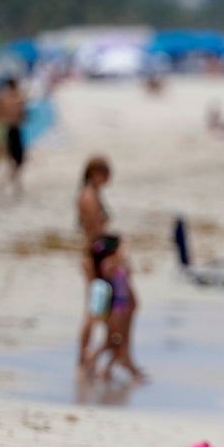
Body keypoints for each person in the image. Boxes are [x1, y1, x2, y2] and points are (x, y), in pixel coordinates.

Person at [75, 156, 114, 373]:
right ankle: (83, 358)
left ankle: (86, 357)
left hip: (94, 255)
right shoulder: (88, 196)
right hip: (94, 257)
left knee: (96, 309)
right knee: (93, 310)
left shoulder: (92, 194)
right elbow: (95, 232)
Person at [90, 236, 145, 382]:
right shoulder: (108, 264)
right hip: (114, 309)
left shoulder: (120, 264)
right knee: (117, 341)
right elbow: (109, 279)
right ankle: (128, 368)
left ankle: (105, 368)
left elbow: (128, 276)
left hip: (121, 307)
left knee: (114, 342)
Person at [0, 78, 27, 193]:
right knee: (18, 160)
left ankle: (9, 183)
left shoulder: (4, 99)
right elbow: (21, 116)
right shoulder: (16, 99)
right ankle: (7, 183)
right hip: (14, 131)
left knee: (14, 160)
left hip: (9, 130)